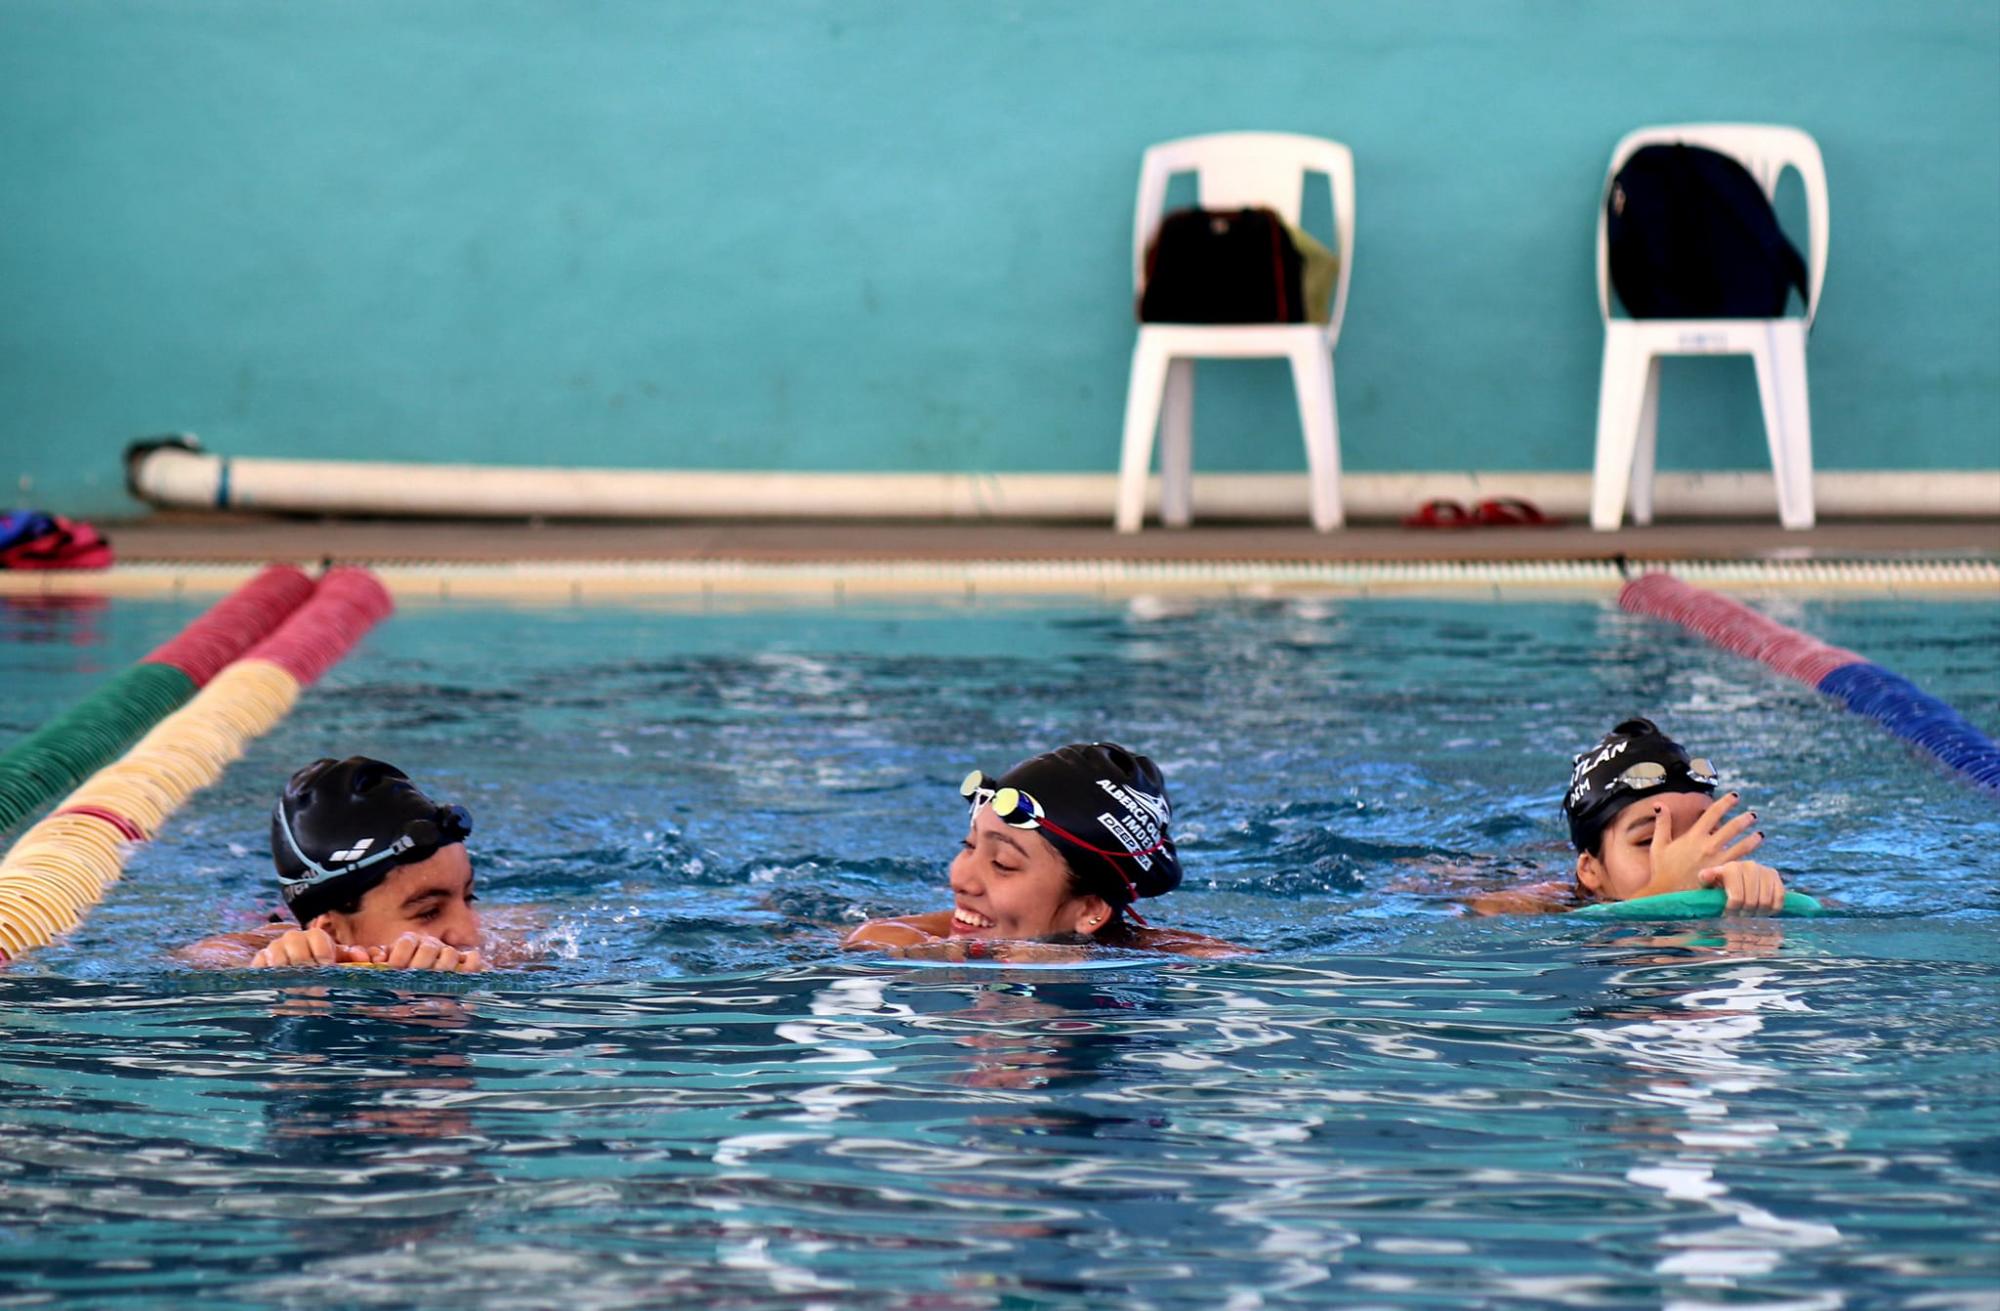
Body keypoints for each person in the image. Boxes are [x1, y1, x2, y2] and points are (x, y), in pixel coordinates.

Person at [843, 742, 1240, 958]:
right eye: (969, 846)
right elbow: (880, 936)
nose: (960, 878)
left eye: (1002, 863)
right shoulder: (928, 939)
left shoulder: (1169, 962)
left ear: (1090, 910)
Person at [180, 757, 488, 971]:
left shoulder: (505, 950)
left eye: (468, 897)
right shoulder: (259, 952)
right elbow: (196, 961)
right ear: (332, 932)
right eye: (429, 912)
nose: (472, 934)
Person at [1557, 717, 1788, 914]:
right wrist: (1664, 890)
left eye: (1708, 833)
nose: (1691, 857)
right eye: (1649, 840)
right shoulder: (1542, 906)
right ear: (1590, 870)